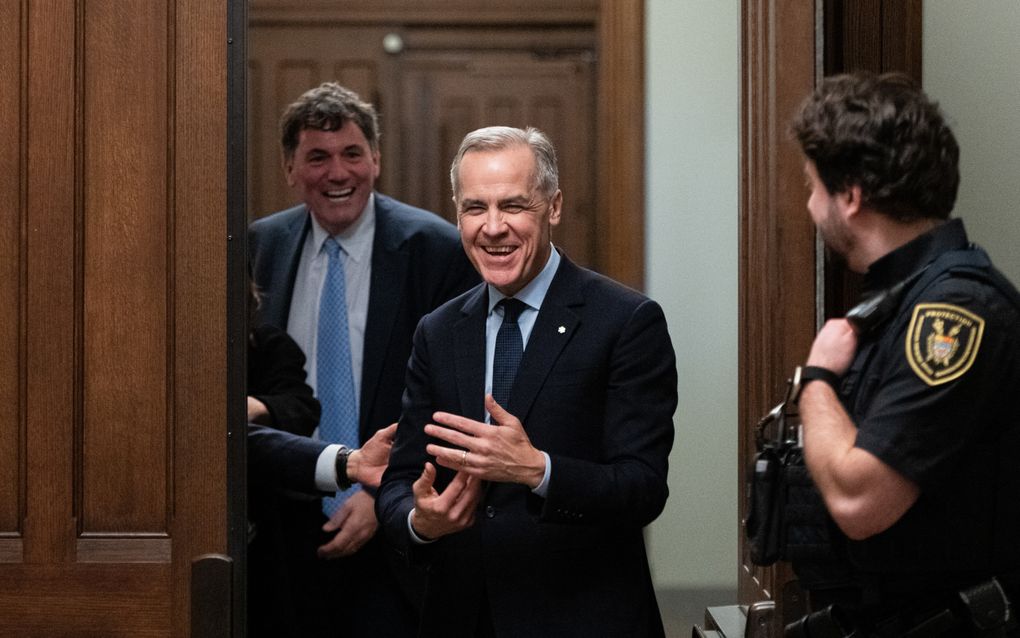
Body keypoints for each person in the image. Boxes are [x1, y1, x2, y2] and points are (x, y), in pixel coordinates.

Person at [376, 126, 678, 638]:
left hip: (584, 618)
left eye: (513, 206)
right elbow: (399, 482)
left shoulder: (625, 321)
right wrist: (419, 521)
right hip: (462, 617)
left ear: (553, 207)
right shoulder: (439, 331)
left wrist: (538, 470)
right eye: (475, 208)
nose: (493, 228)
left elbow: (643, 488)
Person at [785, 72, 1020, 636]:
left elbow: (858, 501)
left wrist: (816, 379)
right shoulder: (902, 300)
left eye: (815, 186)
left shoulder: (953, 314)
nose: (810, 204)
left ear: (850, 197)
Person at [248, 82, 479, 637]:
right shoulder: (257, 247)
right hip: (283, 527)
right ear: (290, 169)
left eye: (352, 153)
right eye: (318, 157)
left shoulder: (437, 251)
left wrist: (381, 494)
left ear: (375, 160)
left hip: (397, 524)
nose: (337, 172)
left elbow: (458, 396)